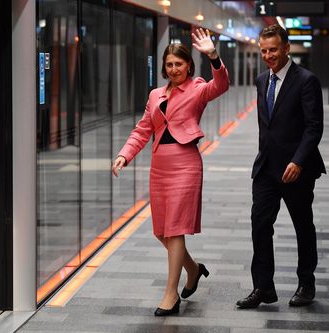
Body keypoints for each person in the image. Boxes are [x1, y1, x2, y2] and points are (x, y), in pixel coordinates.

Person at [112, 28, 229, 316]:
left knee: (175, 230)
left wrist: (213, 56)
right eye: (169, 65)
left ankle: (170, 294)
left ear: (189, 65)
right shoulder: (155, 95)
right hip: (160, 166)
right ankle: (193, 269)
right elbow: (143, 130)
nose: (174, 69)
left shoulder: (198, 88)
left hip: (185, 165)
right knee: (161, 231)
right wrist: (124, 154)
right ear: (164, 68)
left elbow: (221, 85)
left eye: (179, 64)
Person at [236, 24, 325, 309]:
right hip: (266, 170)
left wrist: (298, 160)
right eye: (263, 50)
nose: (268, 55)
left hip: (296, 169)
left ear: (286, 48)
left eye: (273, 49)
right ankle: (263, 287)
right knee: (260, 224)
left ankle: (306, 283)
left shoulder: (306, 80)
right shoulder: (262, 80)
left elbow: (314, 127)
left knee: (302, 225)